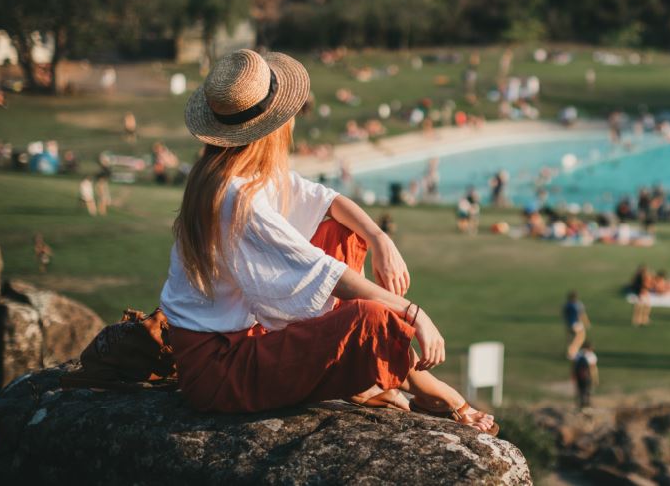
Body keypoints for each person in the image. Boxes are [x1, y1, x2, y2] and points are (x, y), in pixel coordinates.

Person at [159, 50, 496, 433]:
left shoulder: (231, 169)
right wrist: (412, 314)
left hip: (239, 335)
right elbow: (327, 275)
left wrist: (380, 238)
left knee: (343, 229)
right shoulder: (235, 197)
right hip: (221, 368)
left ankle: (369, 372)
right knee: (369, 318)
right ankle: (421, 384)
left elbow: (328, 202)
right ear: (273, 128)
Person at [563, 291, 590, 359]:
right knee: (580, 338)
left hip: (569, 324)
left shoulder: (567, 305)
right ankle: (571, 353)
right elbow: (582, 314)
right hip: (576, 324)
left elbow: (565, 315)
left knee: (573, 339)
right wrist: (586, 322)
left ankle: (572, 352)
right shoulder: (578, 304)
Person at [572, 342, 599, 410]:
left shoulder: (578, 354)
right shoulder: (591, 355)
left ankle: (580, 405)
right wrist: (595, 378)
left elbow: (574, 366)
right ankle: (587, 404)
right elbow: (593, 368)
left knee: (580, 390)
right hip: (587, 376)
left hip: (579, 375)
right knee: (587, 390)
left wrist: (573, 375)